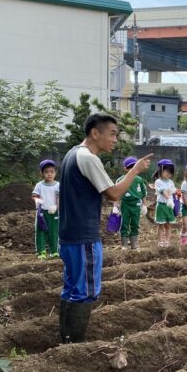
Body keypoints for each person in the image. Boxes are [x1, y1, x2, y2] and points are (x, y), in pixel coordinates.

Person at [58, 113, 152, 343]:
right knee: (85, 291)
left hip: (69, 235)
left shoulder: (72, 154)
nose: (115, 140)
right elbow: (113, 193)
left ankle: (66, 341)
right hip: (83, 237)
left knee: (71, 287)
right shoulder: (88, 158)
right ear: (94, 133)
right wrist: (135, 170)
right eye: (112, 134)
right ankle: (74, 345)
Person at [113, 157, 147, 250]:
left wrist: (144, 205)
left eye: (134, 167)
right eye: (130, 167)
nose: (132, 169)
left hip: (136, 204)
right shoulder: (120, 180)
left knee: (135, 223)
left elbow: (143, 193)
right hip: (125, 204)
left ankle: (134, 244)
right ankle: (124, 244)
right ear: (125, 168)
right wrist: (115, 206)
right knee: (124, 223)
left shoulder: (139, 180)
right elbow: (116, 193)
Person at [32, 159, 61, 259]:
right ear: (41, 173)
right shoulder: (39, 185)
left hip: (53, 212)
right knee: (41, 231)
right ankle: (41, 251)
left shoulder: (58, 185)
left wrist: (57, 206)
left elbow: (59, 197)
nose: (49, 174)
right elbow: (35, 195)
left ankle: (54, 251)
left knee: (54, 232)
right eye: (46, 172)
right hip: (42, 212)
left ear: (55, 173)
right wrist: (37, 201)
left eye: (51, 172)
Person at [153, 159, 177, 248]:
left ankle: (167, 241)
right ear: (160, 170)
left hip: (169, 206)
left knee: (168, 225)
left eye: (170, 172)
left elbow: (173, 190)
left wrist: (174, 194)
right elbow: (163, 192)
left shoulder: (171, 182)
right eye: (166, 171)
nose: (168, 173)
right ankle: (160, 242)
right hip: (162, 205)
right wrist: (169, 199)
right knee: (161, 225)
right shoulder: (158, 181)